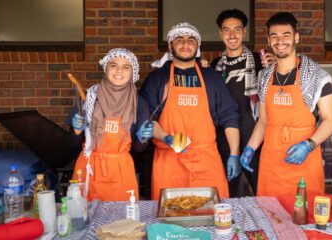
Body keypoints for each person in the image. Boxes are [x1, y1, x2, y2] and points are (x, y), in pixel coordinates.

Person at [239, 12, 332, 197]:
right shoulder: (265, 77)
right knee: (270, 215)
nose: (280, 41)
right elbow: (263, 121)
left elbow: (330, 120)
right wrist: (250, 147)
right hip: (272, 162)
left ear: (296, 37)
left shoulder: (316, 76)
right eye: (274, 36)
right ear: (269, 40)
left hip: (304, 160)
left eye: (286, 35)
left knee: (304, 216)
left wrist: (308, 146)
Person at [138, 22, 240, 200]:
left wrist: (234, 153)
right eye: (179, 39)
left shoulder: (211, 77)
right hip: (168, 162)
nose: (186, 44)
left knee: (213, 217)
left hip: (206, 160)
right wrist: (166, 138)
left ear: (197, 46)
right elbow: (148, 119)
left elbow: (229, 115)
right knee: (170, 219)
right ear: (170, 45)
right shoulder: (157, 78)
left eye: (191, 39)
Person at [67, 48, 153, 201]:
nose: (119, 70)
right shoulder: (88, 98)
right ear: (106, 68)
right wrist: (76, 130)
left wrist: (143, 138)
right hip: (88, 169)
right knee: (84, 220)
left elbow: (139, 149)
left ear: (133, 73)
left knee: (123, 222)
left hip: (121, 172)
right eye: (113, 65)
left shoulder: (139, 103)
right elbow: (71, 145)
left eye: (126, 67)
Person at [210, 9, 274, 196]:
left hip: (256, 138)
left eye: (237, 29)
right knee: (229, 195)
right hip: (225, 140)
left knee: (263, 194)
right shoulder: (214, 66)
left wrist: (275, 67)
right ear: (220, 33)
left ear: (244, 31)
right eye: (227, 30)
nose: (232, 35)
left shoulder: (260, 61)